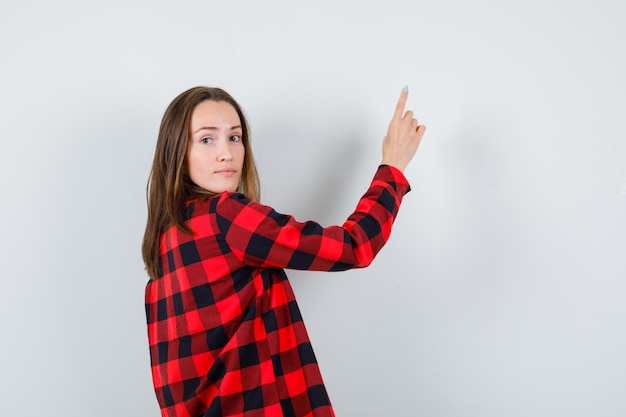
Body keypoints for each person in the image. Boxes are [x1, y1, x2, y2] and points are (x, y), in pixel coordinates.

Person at [142, 86, 426, 417]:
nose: (227, 153)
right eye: (207, 139)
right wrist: (393, 166)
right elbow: (354, 246)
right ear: (177, 151)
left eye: (235, 138)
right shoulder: (226, 216)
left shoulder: (164, 245)